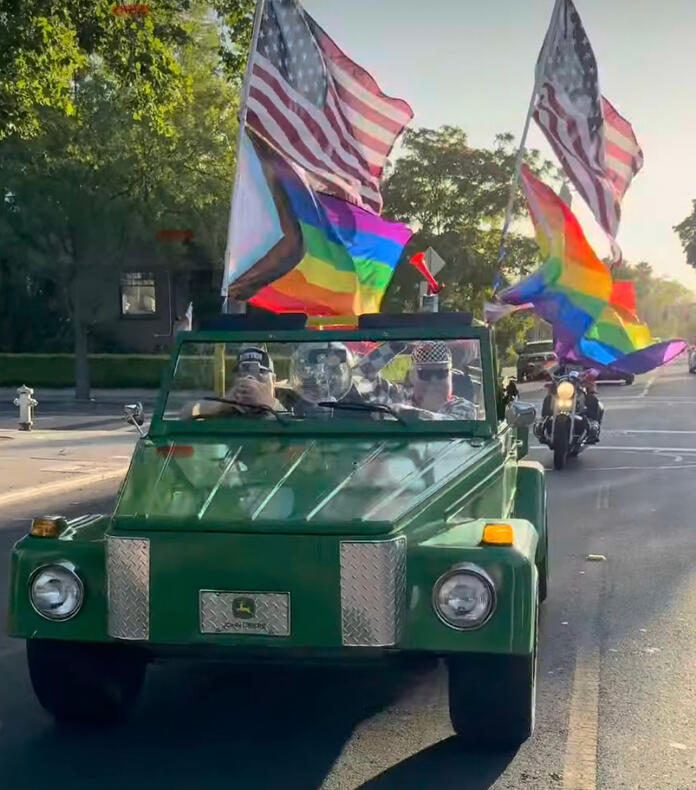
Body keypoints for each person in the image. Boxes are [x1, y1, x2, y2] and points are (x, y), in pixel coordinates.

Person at [180, 346, 283, 420]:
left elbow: (290, 422)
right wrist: (223, 405)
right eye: (242, 375)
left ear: (273, 381)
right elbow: (186, 414)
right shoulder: (230, 407)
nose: (251, 383)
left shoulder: (285, 402)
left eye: (260, 374)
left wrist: (269, 404)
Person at [406, 341, 478, 419]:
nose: (434, 382)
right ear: (412, 377)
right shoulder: (401, 397)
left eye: (441, 373)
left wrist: (403, 412)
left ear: (450, 377)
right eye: (425, 374)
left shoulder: (464, 408)